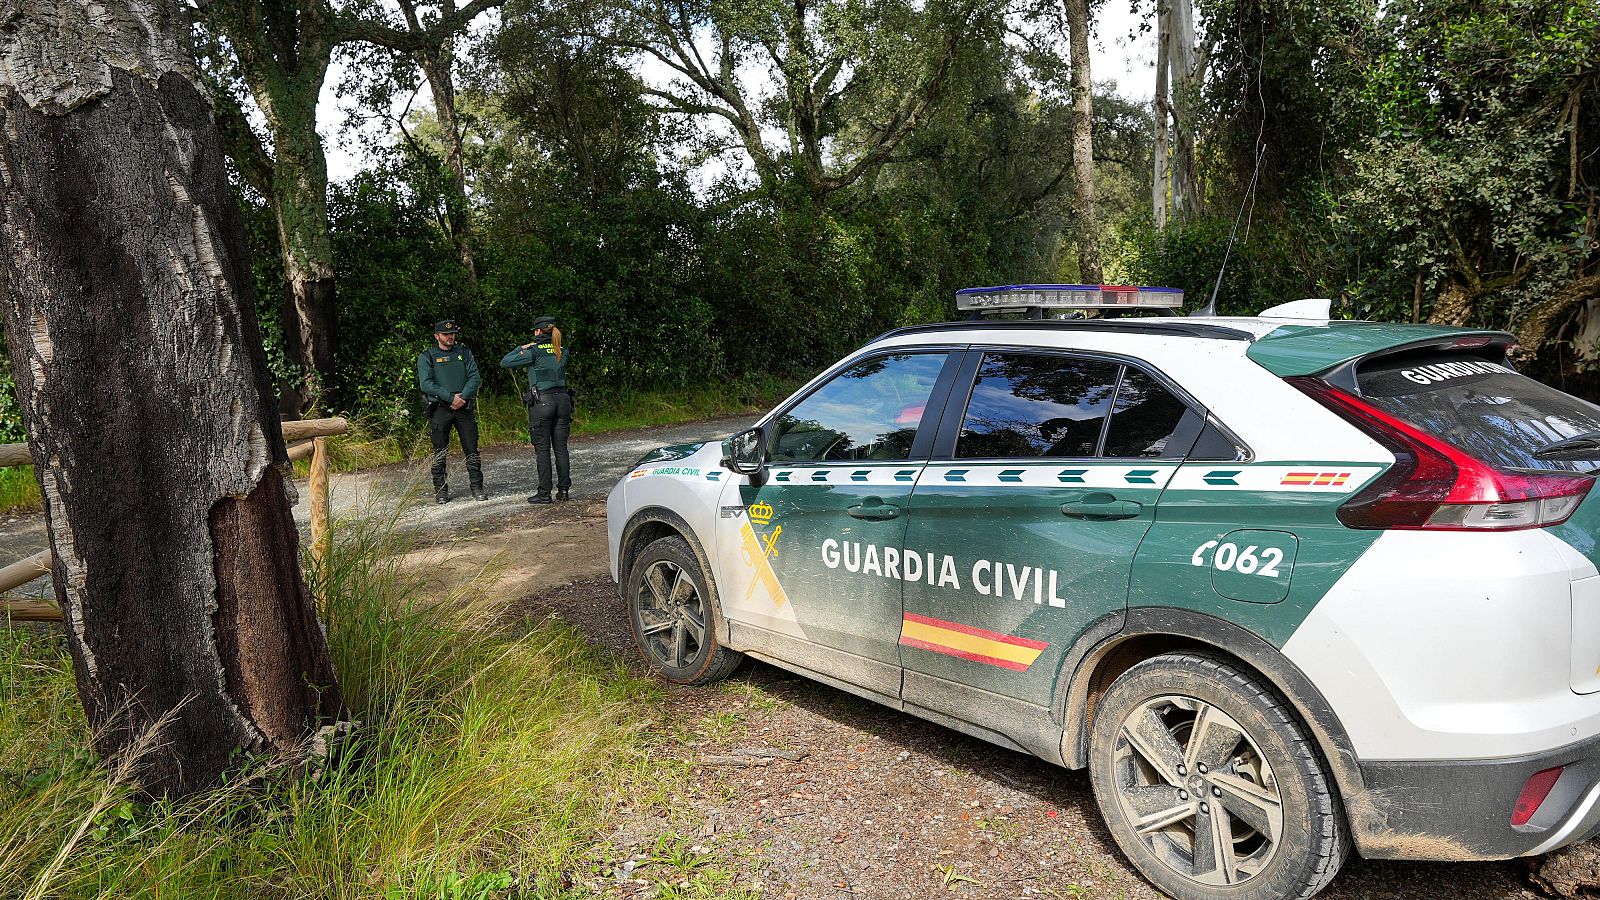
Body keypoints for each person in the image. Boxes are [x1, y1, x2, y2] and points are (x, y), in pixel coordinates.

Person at [501, 315, 572, 503]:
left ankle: (544, 493)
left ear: (538, 332)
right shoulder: (562, 350)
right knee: (561, 449)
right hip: (563, 401)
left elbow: (505, 362)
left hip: (542, 403)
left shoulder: (534, 351)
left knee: (542, 450)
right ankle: (564, 491)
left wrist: (520, 348)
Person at [417, 319, 485, 503]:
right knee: (439, 451)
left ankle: (477, 487)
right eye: (446, 334)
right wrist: (450, 397)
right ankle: (440, 491)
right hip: (440, 408)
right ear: (437, 336)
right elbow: (426, 383)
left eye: (452, 333)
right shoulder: (427, 357)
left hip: (464, 407)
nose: (450, 337)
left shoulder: (464, 353)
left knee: (471, 449)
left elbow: (474, 377)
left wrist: (462, 397)